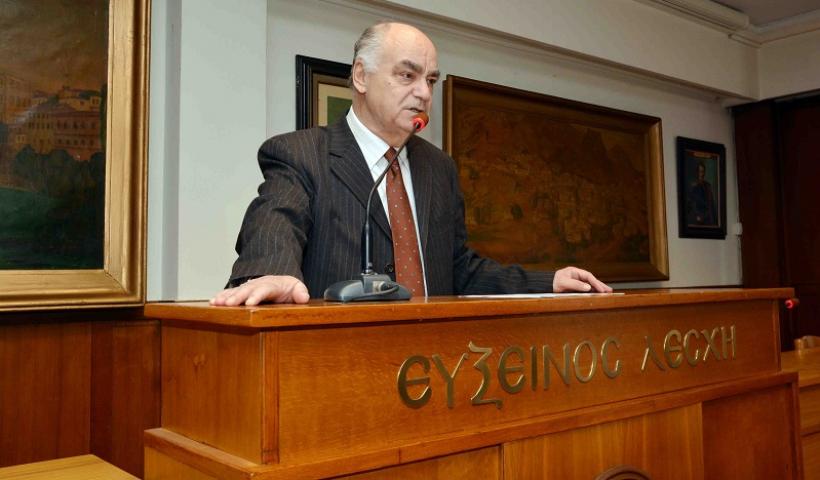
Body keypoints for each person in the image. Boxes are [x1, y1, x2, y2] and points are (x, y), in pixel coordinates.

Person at [211, 22, 611, 307]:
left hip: (431, 367)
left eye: (431, 80)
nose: (423, 93)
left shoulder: (439, 168)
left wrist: (548, 281)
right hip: (339, 369)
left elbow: (459, 270)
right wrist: (271, 272)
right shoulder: (301, 154)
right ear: (361, 76)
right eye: (407, 75)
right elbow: (275, 224)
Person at [686, 161, 716, 226]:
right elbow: (690, 206)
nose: (701, 174)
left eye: (702, 171)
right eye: (699, 171)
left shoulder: (708, 186)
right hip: (697, 219)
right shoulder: (692, 187)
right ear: (697, 172)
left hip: (707, 219)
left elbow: (711, 205)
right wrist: (697, 216)